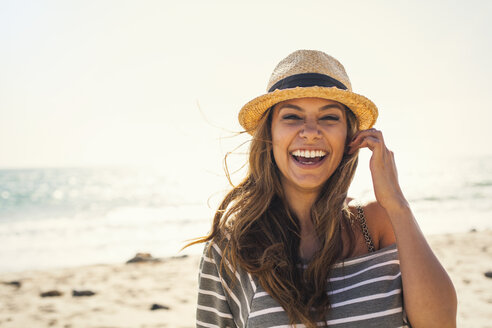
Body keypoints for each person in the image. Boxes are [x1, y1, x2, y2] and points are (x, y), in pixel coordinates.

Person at [190, 50, 457, 327]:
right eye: (292, 117)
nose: (311, 131)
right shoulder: (231, 246)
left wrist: (398, 205)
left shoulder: (377, 224)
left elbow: (440, 323)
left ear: (350, 138)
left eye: (329, 118)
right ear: (269, 134)